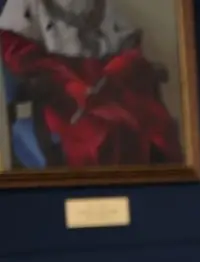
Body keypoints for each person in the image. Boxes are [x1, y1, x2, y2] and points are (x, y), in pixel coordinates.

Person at [0, 0, 184, 167]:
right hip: (63, 90)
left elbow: (126, 43)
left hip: (110, 81)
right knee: (108, 133)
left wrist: (120, 69)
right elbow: (16, 52)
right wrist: (69, 82)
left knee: (155, 127)